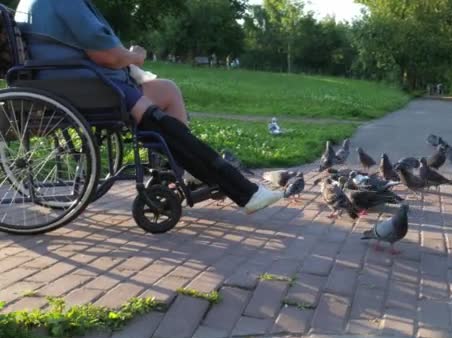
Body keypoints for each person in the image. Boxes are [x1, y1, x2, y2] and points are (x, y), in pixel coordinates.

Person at [14, 0, 283, 214]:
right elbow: (107, 55)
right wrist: (136, 56)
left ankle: (191, 172)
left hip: (71, 82)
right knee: (162, 118)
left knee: (167, 92)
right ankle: (241, 191)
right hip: (88, 86)